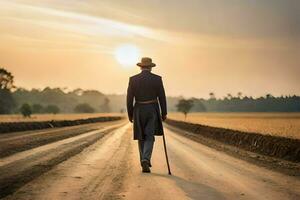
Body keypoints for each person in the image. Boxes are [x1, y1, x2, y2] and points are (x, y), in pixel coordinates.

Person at [126, 57, 167, 173]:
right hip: (153, 109)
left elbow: (129, 98)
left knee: (141, 135)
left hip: (138, 109)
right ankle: (145, 158)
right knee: (150, 135)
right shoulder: (157, 79)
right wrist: (164, 113)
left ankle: (143, 160)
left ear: (141, 67)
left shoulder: (133, 79)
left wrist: (130, 114)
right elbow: (162, 97)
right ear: (150, 67)